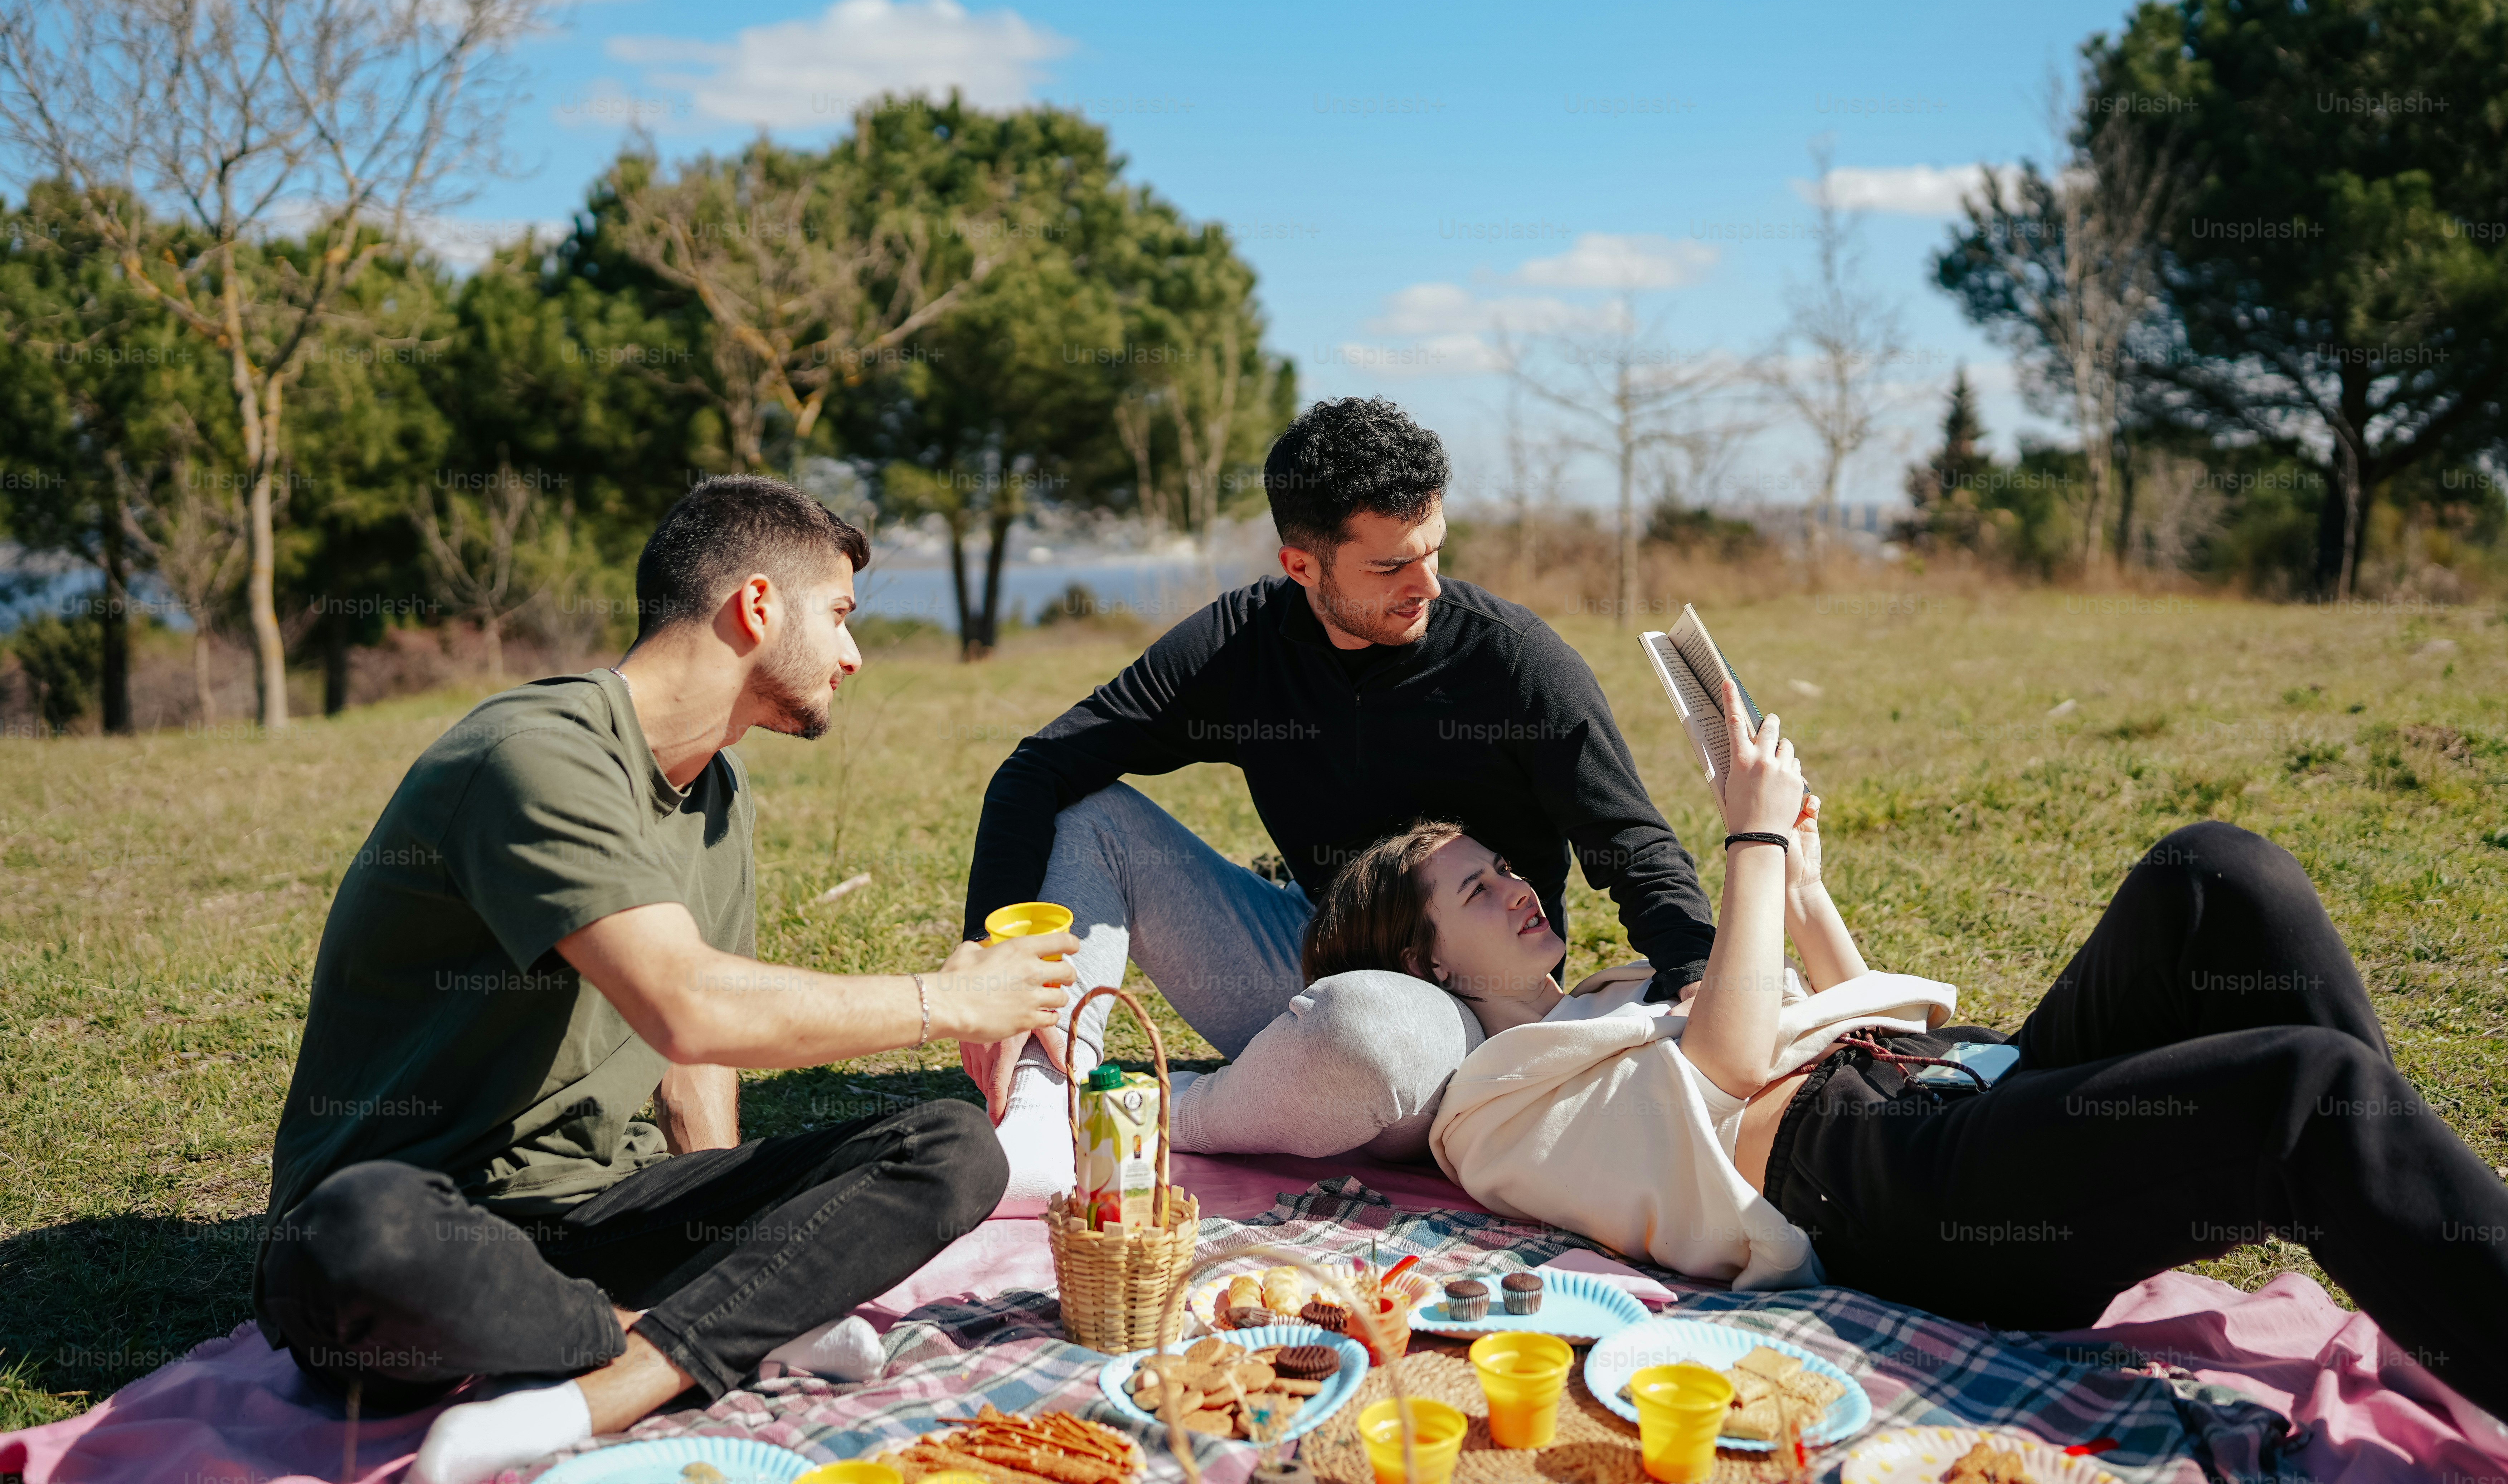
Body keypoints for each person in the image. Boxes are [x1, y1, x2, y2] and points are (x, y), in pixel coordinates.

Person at [1233, 678, 2508, 1420]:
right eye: (1474, 890)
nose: (1518, 885)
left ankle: (2434, 1256)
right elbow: (1733, 1070)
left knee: (2214, 875)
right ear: (1424, 969)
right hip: (1904, 1194)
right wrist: (1748, 844)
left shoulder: (1610, 991)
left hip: (1952, 1088)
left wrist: (1803, 893)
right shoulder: (1485, 1107)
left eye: (1502, 865)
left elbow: (1862, 1026)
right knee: (2302, 1094)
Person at [252, 477, 1074, 1484]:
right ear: (757, 606)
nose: (854, 653)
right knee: (357, 1235)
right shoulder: (534, 758)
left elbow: (699, 1061)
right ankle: (688, 1334)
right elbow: (687, 1007)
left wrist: (730, 1241)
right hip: (430, 1225)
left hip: (604, 1211)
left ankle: (607, 1387)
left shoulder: (716, 787)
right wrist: (945, 1001)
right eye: (840, 614)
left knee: (950, 1146)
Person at [962, 397, 1720, 1208]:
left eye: (1433, 549)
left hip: (1463, 1006)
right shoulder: (1241, 648)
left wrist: (1699, 978)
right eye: (1390, 568)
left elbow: (1630, 842)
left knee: (1372, 1036)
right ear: (1302, 567)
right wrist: (985, 960)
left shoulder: (1516, 662)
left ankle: (1163, 1108)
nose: (1427, 584)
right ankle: (1044, 1109)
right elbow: (1038, 767)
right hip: (1305, 951)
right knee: (1088, 813)